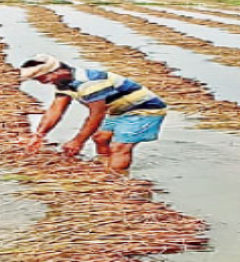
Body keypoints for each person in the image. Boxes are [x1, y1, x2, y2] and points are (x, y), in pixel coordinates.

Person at [18, 54, 167, 174]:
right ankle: (105, 166)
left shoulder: (89, 83)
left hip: (144, 109)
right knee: (100, 138)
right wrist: (39, 134)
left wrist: (78, 141)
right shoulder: (64, 83)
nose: (42, 82)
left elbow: (97, 114)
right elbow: (56, 110)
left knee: (119, 147)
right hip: (118, 110)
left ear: (57, 72)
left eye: (42, 78)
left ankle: (116, 178)